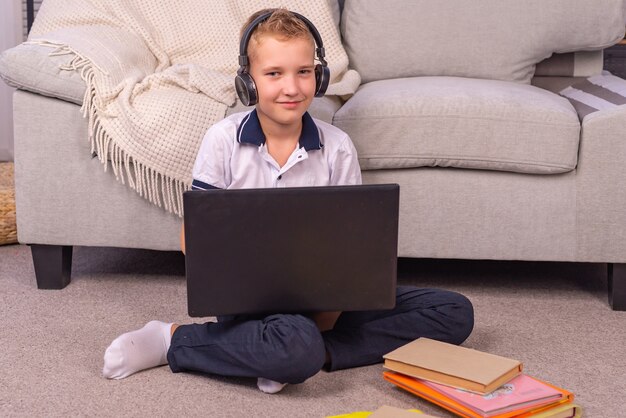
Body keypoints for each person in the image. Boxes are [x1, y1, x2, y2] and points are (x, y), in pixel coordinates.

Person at [102, 8, 474, 394]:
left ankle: (295, 350)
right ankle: (173, 339)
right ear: (248, 81)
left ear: (320, 75)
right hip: (250, 301)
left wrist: (330, 310)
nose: (292, 88)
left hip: (327, 296)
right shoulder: (222, 139)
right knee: (295, 342)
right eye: (274, 74)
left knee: (454, 312)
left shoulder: (337, 146)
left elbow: (352, 245)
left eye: (304, 72)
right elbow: (192, 237)